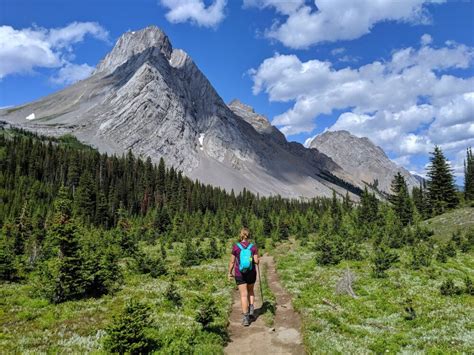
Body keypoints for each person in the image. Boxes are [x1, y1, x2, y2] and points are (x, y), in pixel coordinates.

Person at [228, 227, 259, 326]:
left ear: (240, 235)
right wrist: (258, 260)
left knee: (243, 295)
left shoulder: (236, 247)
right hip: (251, 273)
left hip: (240, 274)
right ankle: (251, 310)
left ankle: (246, 318)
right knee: (251, 291)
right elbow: (256, 261)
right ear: (248, 235)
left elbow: (232, 262)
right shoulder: (253, 247)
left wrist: (229, 272)